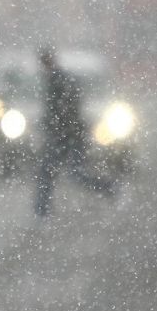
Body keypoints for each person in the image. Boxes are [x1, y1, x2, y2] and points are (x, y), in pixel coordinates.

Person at [34, 46, 116, 217]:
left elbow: (66, 111)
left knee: (65, 174)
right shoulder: (56, 80)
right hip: (67, 135)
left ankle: (110, 188)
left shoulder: (59, 81)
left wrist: (58, 128)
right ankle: (42, 211)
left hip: (68, 136)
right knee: (55, 173)